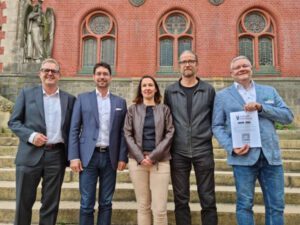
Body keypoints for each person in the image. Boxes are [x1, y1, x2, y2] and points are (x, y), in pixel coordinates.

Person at [212, 55, 294, 225]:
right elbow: (217, 126)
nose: (242, 69)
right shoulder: (222, 96)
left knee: (276, 206)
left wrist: (262, 108)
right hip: (242, 158)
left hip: (271, 157)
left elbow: (288, 117)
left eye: (245, 66)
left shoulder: (269, 91)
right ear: (231, 73)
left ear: (251, 68)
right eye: (237, 67)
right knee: (244, 205)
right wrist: (231, 147)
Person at [8, 58, 76, 225]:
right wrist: (31, 136)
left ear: (60, 75)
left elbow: (73, 129)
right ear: (40, 74)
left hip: (56, 156)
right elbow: (14, 122)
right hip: (29, 155)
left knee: (51, 204)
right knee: (23, 202)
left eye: (54, 71)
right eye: (46, 70)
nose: (50, 73)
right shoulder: (26, 94)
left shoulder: (69, 100)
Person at [68, 62, 128, 225]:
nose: (102, 77)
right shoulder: (82, 99)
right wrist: (73, 156)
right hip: (88, 157)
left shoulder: (120, 102)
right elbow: (74, 129)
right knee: (86, 203)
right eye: (99, 74)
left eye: (105, 74)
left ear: (110, 77)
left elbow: (123, 133)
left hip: (110, 157)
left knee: (106, 202)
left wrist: (123, 157)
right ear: (93, 77)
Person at [164, 50, 218, 225]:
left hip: (203, 149)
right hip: (178, 151)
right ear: (179, 65)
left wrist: (207, 134)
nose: (187, 64)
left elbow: (214, 119)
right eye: (184, 61)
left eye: (191, 61)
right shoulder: (170, 91)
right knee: (180, 199)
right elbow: (167, 120)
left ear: (196, 64)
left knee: (208, 197)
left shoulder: (208, 90)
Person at [124, 75, 175, 225]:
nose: (147, 88)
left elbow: (170, 133)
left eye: (150, 85)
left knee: (160, 209)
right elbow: (127, 133)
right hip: (137, 162)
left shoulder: (164, 109)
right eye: (144, 85)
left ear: (156, 89)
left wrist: (153, 156)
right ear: (140, 90)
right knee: (143, 206)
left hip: (160, 162)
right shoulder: (132, 110)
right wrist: (140, 157)